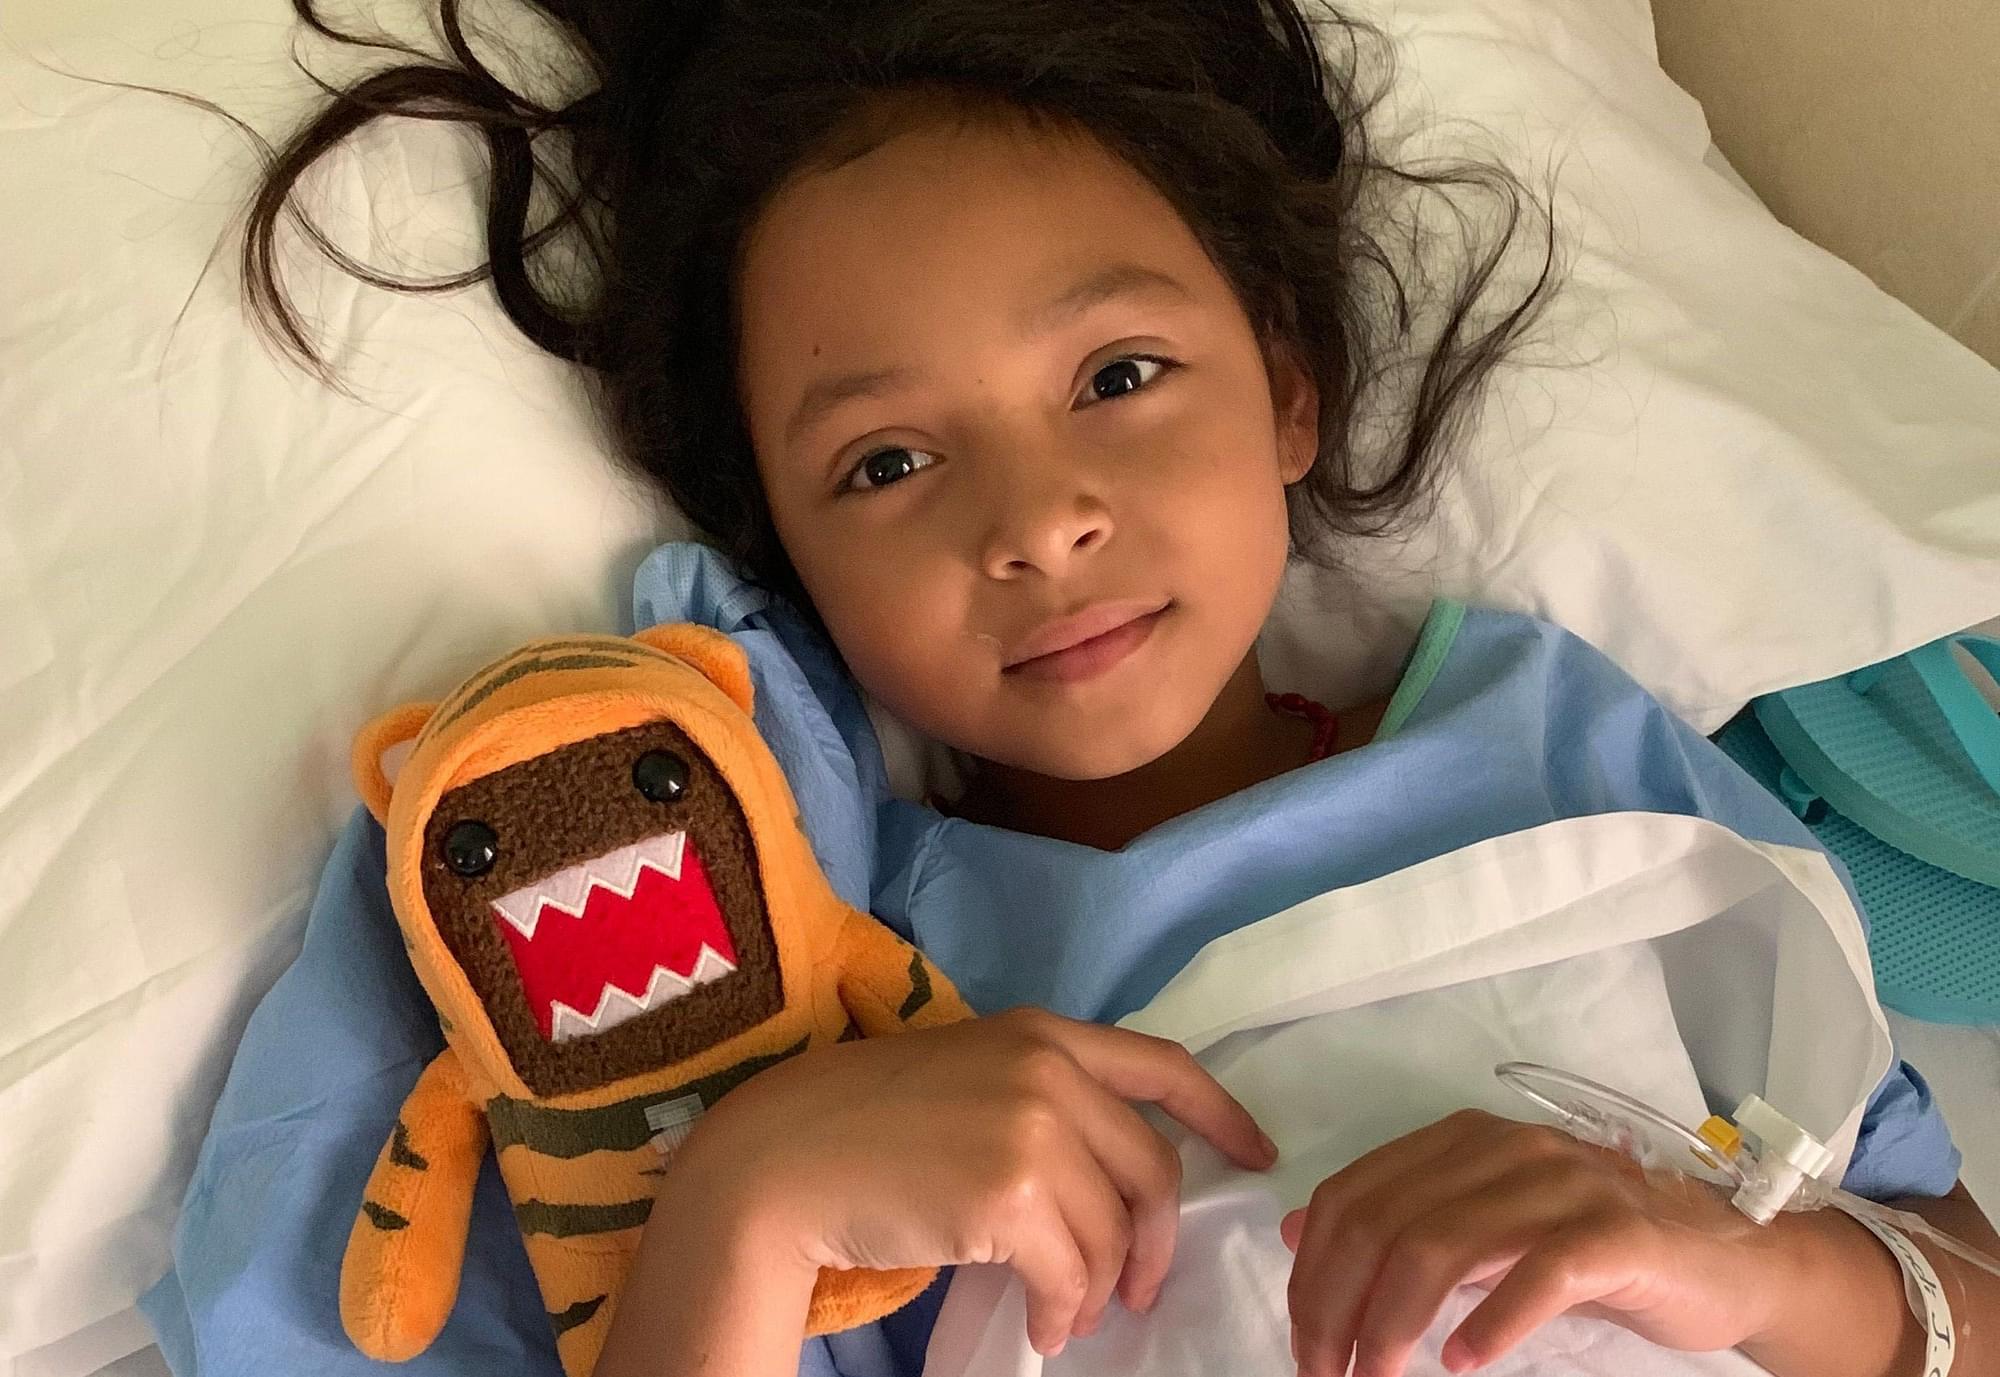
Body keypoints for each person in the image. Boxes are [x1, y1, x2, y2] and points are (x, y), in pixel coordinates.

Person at [236, 2, 2000, 1375]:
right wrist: (748, 1198)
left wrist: (1741, 1265)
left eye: (1121, 373)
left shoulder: (1553, 746)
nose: (1038, 522)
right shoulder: (838, 975)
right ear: (790, 561)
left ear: (1290, 388)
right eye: (887, 464)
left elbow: (1958, 1284)